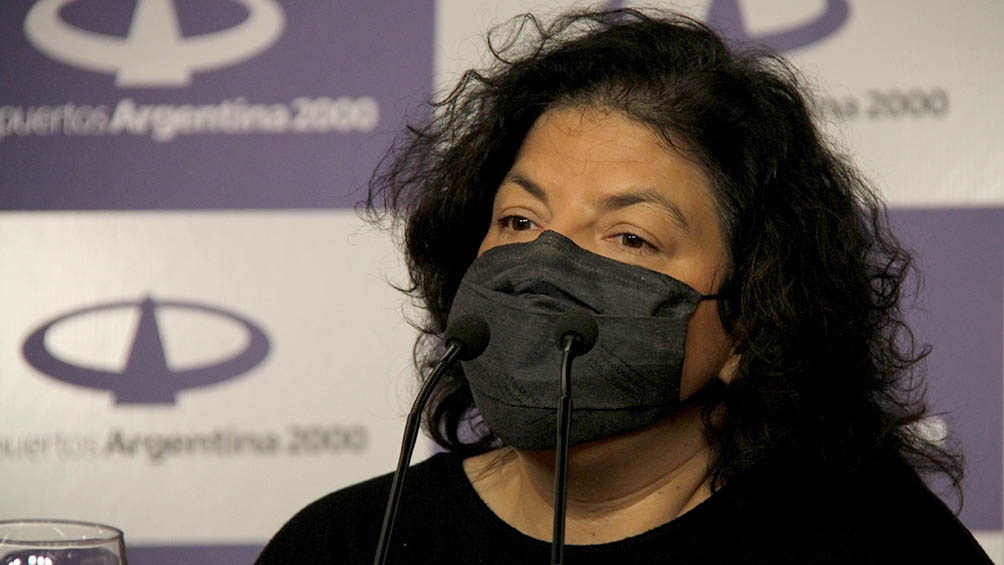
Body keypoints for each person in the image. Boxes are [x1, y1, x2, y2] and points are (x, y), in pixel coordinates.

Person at [257, 8, 993, 564]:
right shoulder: (345, 542)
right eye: (518, 219)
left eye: (630, 237)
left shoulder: (874, 539)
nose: (545, 261)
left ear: (751, 319)